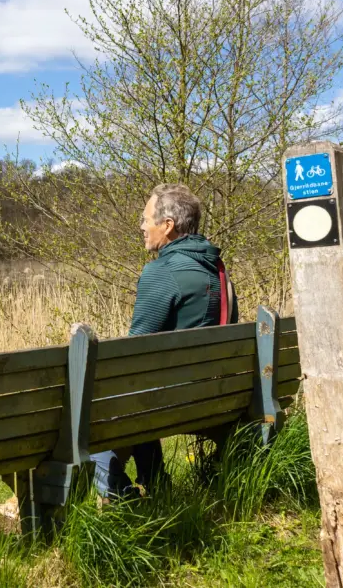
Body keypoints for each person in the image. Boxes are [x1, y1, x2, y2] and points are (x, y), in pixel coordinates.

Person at [91, 183, 238, 499]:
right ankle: (155, 482)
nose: (142, 226)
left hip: (173, 403)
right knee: (146, 390)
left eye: (146, 219)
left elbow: (134, 354)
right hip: (216, 396)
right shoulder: (220, 272)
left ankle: (114, 492)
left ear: (168, 225)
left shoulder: (162, 272)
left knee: (98, 400)